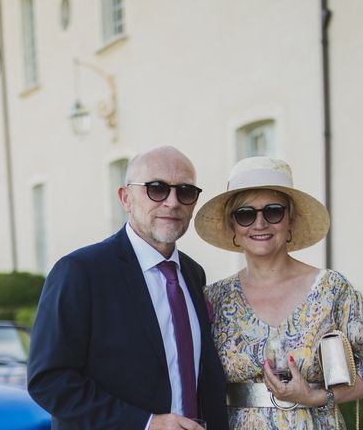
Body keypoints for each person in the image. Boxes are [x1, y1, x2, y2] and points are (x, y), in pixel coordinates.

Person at [28, 146, 229, 430]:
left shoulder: (193, 274)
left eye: (185, 191)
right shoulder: (81, 271)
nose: (172, 202)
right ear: (126, 197)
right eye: (156, 189)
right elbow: (48, 380)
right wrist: (146, 424)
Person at [194, 156, 363, 429]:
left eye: (273, 211)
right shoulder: (214, 298)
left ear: (290, 220)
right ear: (233, 226)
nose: (259, 223)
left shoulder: (332, 290)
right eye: (245, 214)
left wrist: (316, 396)